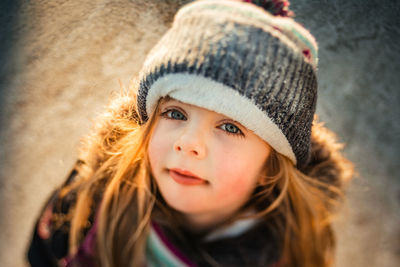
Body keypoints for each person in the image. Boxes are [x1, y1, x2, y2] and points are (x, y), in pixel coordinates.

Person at [27, 0, 354, 266]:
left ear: (270, 166)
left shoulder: (288, 254)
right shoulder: (94, 193)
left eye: (230, 127)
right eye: (175, 113)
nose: (188, 143)